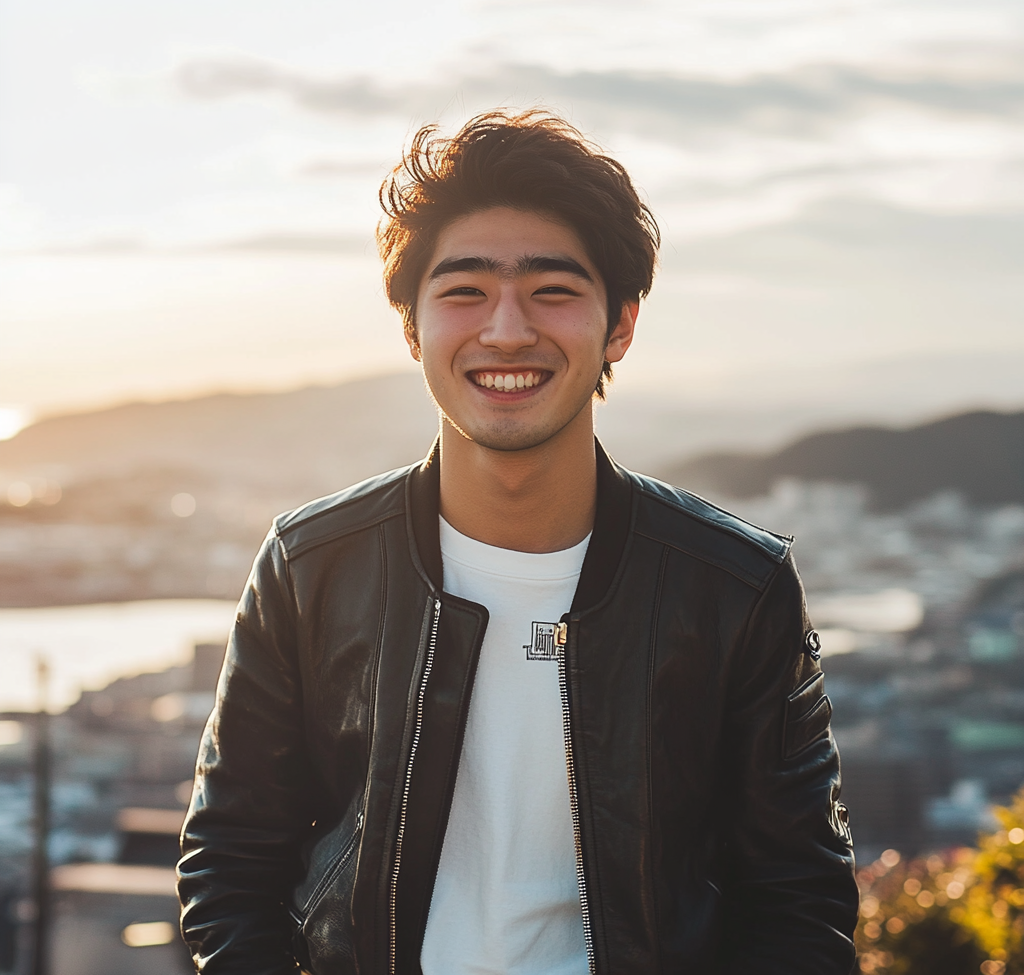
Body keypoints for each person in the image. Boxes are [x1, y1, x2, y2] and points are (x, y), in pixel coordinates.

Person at [177, 111, 859, 975]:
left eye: (553, 290)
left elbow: (799, 898)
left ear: (620, 326)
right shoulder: (312, 568)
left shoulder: (731, 588)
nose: (506, 330)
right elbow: (231, 862)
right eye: (464, 290)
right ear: (411, 325)